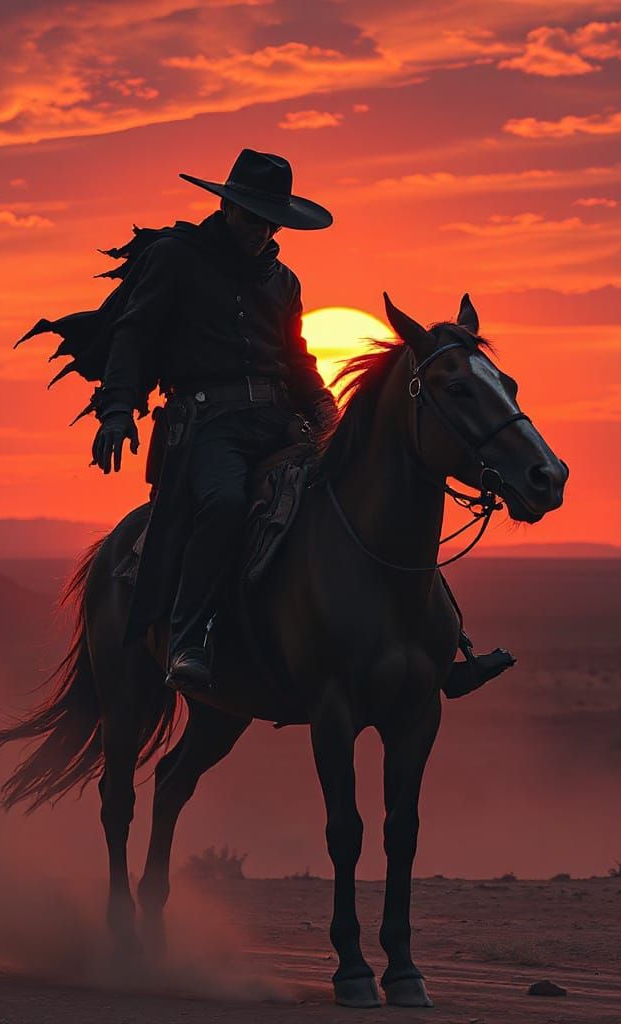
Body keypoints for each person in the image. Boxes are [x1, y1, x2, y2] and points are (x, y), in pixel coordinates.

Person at [91, 148, 511, 700]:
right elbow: (135, 333)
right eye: (253, 217)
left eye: (272, 222)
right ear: (227, 207)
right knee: (224, 503)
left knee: (366, 496)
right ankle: (189, 639)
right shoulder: (177, 259)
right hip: (208, 424)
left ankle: (438, 645)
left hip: (277, 421)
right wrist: (117, 409)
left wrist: (329, 415)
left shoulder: (283, 282)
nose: (262, 231)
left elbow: (296, 360)